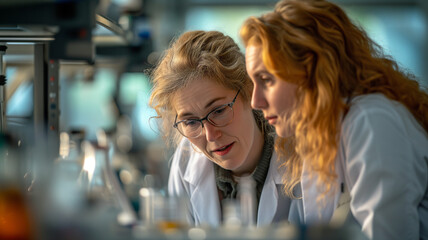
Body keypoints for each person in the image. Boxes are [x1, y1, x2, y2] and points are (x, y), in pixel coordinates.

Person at [240, 0, 428, 239]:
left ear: (311, 70)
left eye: (266, 80)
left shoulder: (371, 121)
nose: (256, 102)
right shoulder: (319, 136)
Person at [149, 30, 302, 227]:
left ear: (249, 91)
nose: (211, 135)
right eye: (191, 122)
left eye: (219, 111)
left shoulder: (303, 159)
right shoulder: (186, 160)